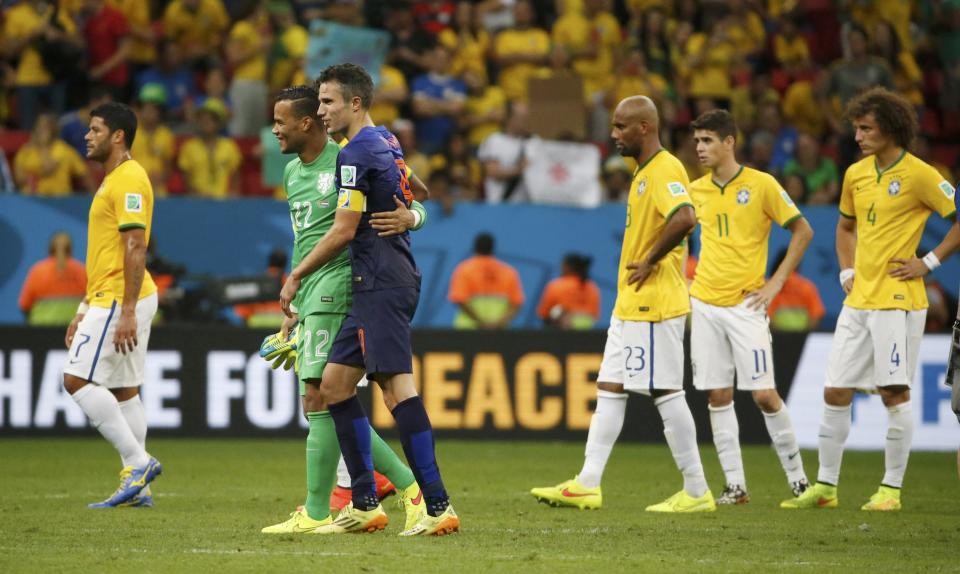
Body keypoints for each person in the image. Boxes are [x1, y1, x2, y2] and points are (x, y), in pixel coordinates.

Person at [281, 63, 459, 535]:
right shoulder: (388, 141)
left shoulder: (354, 153)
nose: (321, 112)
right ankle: (363, 500)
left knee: (397, 388)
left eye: (328, 103)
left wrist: (297, 274)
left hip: (381, 281)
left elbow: (343, 229)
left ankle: (437, 505)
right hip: (373, 281)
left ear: (355, 103)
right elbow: (417, 192)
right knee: (335, 386)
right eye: (318, 103)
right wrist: (411, 218)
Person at [530, 96, 714, 513]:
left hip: (654, 303)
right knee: (610, 388)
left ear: (645, 127)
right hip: (632, 303)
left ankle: (698, 490)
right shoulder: (644, 173)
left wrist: (649, 258)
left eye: (620, 126)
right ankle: (588, 483)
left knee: (666, 391)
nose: (613, 135)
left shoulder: (665, 168)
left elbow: (685, 217)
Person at [783, 87, 960, 512]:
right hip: (859, 299)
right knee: (835, 390)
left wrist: (929, 262)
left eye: (866, 129)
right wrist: (847, 269)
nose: (858, 137)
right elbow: (845, 228)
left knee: (893, 391)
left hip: (898, 300)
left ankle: (891, 490)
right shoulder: (855, 174)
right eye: (856, 129)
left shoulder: (921, 174)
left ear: (892, 130)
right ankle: (826, 487)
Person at [687, 109, 814, 505]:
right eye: (696, 142)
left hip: (746, 304)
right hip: (705, 302)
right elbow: (676, 240)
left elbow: (802, 230)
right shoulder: (694, 190)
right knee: (717, 396)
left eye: (707, 140)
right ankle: (735, 486)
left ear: (729, 142)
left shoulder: (761, 185)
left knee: (763, 395)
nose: (700, 148)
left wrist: (776, 283)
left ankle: (799, 483)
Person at [62, 102, 163, 508]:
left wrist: (124, 310)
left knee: (75, 379)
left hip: (122, 297)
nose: (88, 135)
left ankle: (138, 463)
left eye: (95, 129)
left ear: (118, 135)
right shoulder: (113, 180)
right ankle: (141, 487)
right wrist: (83, 308)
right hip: (111, 296)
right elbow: (105, 252)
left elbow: (135, 245)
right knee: (124, 390)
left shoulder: (129, 178)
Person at [448, 232, 525, 329]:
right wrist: (497, 323)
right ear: (492, 248)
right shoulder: (508, 272)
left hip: (468, 330)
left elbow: (459, 299)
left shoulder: (464, 270)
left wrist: (481, 323)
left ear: (475, 247)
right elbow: (517, 304)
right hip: (499, 332)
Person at [19, 231, 87, 325]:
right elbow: (90, 303)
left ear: (50, 247)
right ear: (70, 248)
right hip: (73, 330)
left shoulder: (38, 271)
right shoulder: (81, 270)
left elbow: (24, 305)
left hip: (41, 331)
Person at [767, 248, 826, 332]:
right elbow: (816, 315)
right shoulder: (807, 287)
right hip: (801, 339)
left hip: (776, 337)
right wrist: (803, 335)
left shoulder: (770, 286)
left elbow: (767, 316)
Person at [537, 253, 600, 329]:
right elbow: (595, 315)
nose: (560, 267)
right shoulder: (593, 287)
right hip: (586, 334)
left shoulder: (556, 285)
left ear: (567, 267)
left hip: (560, 333)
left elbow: (544, 313)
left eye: (562, 265)